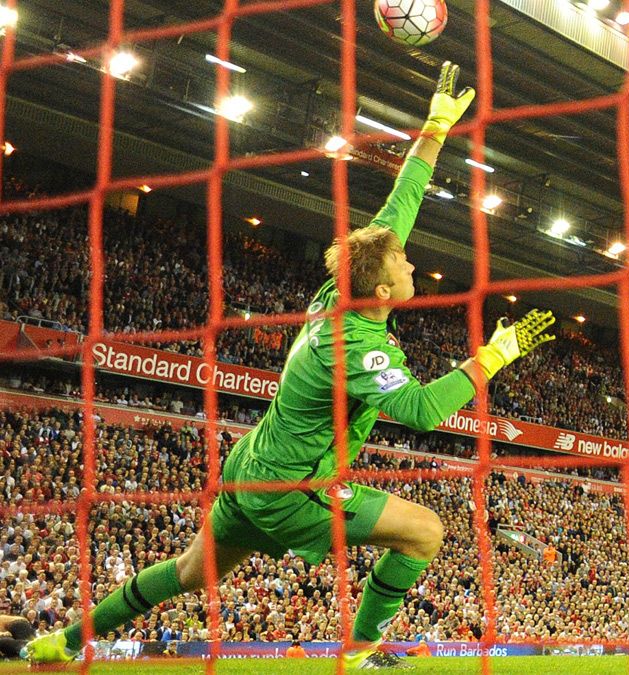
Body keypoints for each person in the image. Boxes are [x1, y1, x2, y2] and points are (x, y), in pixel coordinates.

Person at [23, 62, 556, 668]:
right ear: (382, 292)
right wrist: (492, 357)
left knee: (192, 573)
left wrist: (435, 129)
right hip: (291, 485)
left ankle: (64, 641)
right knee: (424, 530)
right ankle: (361, 649)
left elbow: (400, 203)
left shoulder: (340, 292)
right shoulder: (358, 346)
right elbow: (421, 412)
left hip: (250, 466)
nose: (411, 265)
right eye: (404, 266)